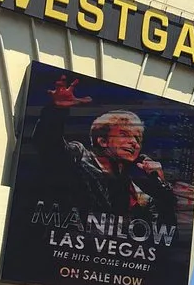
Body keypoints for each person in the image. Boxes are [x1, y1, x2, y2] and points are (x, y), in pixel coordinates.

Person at [31, 74, 182, 228]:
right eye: (124, 134)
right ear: (102, 140)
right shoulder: (78, 156)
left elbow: (166, 236)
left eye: (137, 139)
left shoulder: (139, 196)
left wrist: (161, 185)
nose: (133, 142)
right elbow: (48, 143)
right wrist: (56, 111)